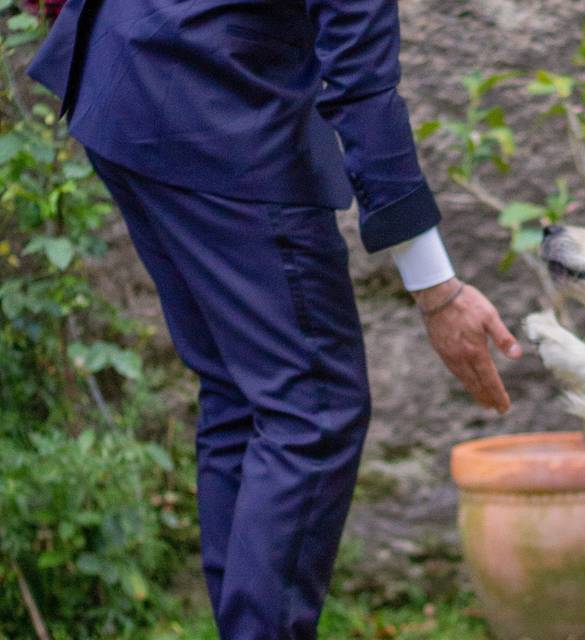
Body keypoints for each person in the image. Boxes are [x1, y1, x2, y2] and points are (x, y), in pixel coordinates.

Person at [26, 0, 522, 637]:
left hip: (121, 79)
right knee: (313, 409)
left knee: (243, 394)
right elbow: (361, 82)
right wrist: (436, 288)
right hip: (208, 109)